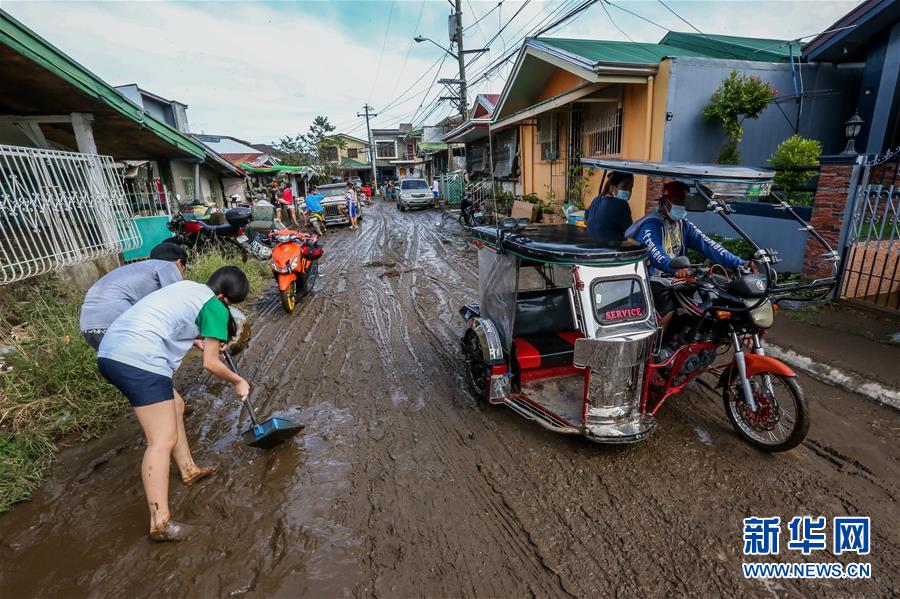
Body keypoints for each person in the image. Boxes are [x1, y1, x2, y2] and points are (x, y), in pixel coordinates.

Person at [96, 266, 251, 542]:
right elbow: (211, 364)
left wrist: (197, 340)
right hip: (139, 358)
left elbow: (168, 320)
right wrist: (238, 381)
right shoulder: (215, 306)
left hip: (112, 351)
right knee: (161, 439)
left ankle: (189, 469)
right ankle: (161, 523)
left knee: (175, 404)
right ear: (225, 297)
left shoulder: (188, 288)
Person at [625, 181, 751, 331]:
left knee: (707, 303)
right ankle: (652, 351)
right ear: (666, 201)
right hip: (652, 279)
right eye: (678, 201)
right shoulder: (651, 224)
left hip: (677, 279)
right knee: (667, 313)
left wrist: (739, 263)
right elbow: (654, 251)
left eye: (684, 202)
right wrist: (672, 266)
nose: (682, 206)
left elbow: (708, 245)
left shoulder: (683, 225)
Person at [79, 242, 188, 350]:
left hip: (88, 328)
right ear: (178, 263)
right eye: (183, 270)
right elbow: (177, 303)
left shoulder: (136, 269)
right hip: (116, 323)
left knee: (126, 363)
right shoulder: (168, 266)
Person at [583, 171, 634, 238]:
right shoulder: (622, 205)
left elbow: (585, 221)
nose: (628, 191)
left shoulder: (596, 199)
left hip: (592, 244)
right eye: (624, 187)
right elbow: (630, 231)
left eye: (630, 188)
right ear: (612, 188)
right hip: (610, 247)